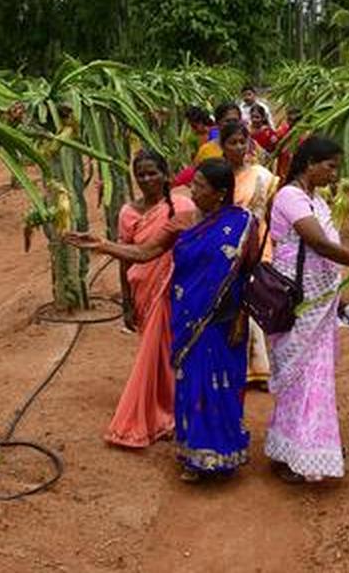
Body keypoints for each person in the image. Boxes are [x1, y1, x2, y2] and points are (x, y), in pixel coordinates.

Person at [66, 158, 260, 481]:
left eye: (199, 186)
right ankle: (196, 457)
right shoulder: (183, 221)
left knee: (223, 385)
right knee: (192, 383)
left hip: (225, 320)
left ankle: (224, 453)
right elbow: (144, 253)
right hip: (189, 319)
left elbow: (250, 270)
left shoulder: (243, 224)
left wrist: (243, 317)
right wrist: (103, 245)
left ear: (220, 193)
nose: (192, 190)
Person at [265, 136, 349, 483]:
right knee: (302, 379)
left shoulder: (315, 199)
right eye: (330, 166)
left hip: (318, 301)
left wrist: (341, 296)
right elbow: (318, 243)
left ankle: (297, 448)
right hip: (298, 302)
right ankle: (300, 454)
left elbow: (323, 254)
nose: (335, 174)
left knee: (310, 378)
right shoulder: (290, 196)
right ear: (309, 163)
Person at [106, 151, 196, 448]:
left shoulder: (182, 206)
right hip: (144, 289)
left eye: (151, 173)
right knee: (152, 351)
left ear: (165, 174)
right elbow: (124, 257)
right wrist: (126, 301)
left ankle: (166, 412)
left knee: (169, 351)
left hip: (174, 288)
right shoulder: (128, 213)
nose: (146, 180)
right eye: (141, 175)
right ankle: (157, 413)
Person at [217, 121, 279, 389]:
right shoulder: (217, 176)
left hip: (257, 244)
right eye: (233, 142)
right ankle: (233, 365)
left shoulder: (261, 175)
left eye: (243, 142)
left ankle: (260, 369)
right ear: (223, 146)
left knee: (254, 302)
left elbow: (270, 213)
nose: (239, 147)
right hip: (225, 246)